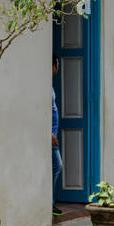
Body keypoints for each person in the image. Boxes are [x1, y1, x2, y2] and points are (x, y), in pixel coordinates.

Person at [51, 55, 62, 216]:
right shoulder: (46, 87)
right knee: (57, 165)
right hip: (51, 136)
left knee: (55, 167)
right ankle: (50, 202)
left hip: (53, 134)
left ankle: (50, 201)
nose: (58, 68)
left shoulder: (50, 86)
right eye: (57, 64)